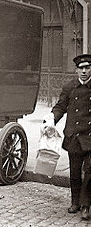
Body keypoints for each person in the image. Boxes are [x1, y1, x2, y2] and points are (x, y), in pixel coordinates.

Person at [43, 54, 91, 220]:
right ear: (76, 70)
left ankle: (86, 206)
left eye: (87, 68)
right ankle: (75, 202)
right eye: (81, 68)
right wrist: (51, 120)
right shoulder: (70, 87)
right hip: (73, 136)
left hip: (90, 137)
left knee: (90, 171)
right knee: (74, 173)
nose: (84, 71)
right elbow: (60, 107)